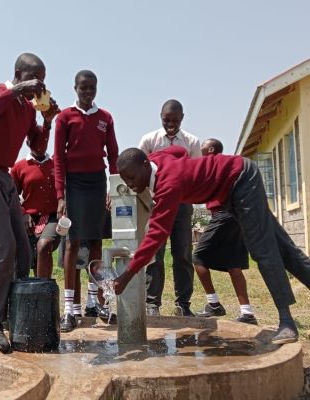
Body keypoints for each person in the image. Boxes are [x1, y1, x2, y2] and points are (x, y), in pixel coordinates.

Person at [114, 146, 310, 344]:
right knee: (283, 247)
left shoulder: (169, 185)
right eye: (125, 180)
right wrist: (196, 169)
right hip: (229, 190)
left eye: (132, 177)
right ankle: (288, 320)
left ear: (145, 165)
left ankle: (287, 323)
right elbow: (179, 151)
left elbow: (156, 234)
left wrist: (127, 275)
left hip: (241, 178)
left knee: (262, 249)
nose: (130, 185)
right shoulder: (156, 158)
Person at [0, 53, 59, 352]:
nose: (38, 87)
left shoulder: (27, 110)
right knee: (2, 247)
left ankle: (12, 314)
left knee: (21, 246)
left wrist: (47, 120)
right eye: (33, 79)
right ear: (18, 74)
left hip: (3, 176)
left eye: (41, 81)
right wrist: (18, 90)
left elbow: (37, 145)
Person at [54, 70, 119, 332]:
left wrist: (112, 189)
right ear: (75, 89)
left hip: (97, 182)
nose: (87, 92)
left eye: (92, 88)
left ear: (96, 89)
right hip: (74, 184)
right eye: (83, 88)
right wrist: (61, 196)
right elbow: (58, 158)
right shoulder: (64, 118)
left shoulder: (105, 118)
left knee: (95, 243)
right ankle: (70, 309)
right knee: (72, 243)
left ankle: (94, 302)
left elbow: (113, 155)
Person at [139, 99, 201, 316]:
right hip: (155, 205)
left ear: (182, 118)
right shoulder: (149, 141)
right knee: (154, 253)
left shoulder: (192, 142)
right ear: (160, 117)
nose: (170, 124)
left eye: (175, 120)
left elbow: (196, 175)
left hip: (182, 205)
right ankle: (152, 304)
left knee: (182, 252)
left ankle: (183, 304)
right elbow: (138, 172)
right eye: (166, 120)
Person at [193, 139, 257, 325]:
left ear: (211, 149)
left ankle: (213, 304)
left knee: (198, 257)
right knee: (233, 265)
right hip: (237, 217)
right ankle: (247, 313)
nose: (200, 150)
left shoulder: (215, 165)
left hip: (222, 214)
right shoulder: (230, 165)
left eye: (203, 147)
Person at [10, 132, 60, 278]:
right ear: (27, 142)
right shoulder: (19, 167)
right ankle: (24, 293)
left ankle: (43, 289)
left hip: (51, 217)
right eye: (34, 141)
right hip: (28, 219)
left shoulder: (56, 165)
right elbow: (11, 195)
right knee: (24, 256)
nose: (39, 145)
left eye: (43, 141)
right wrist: (23, 213)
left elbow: (65, 189)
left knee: (44, 246)